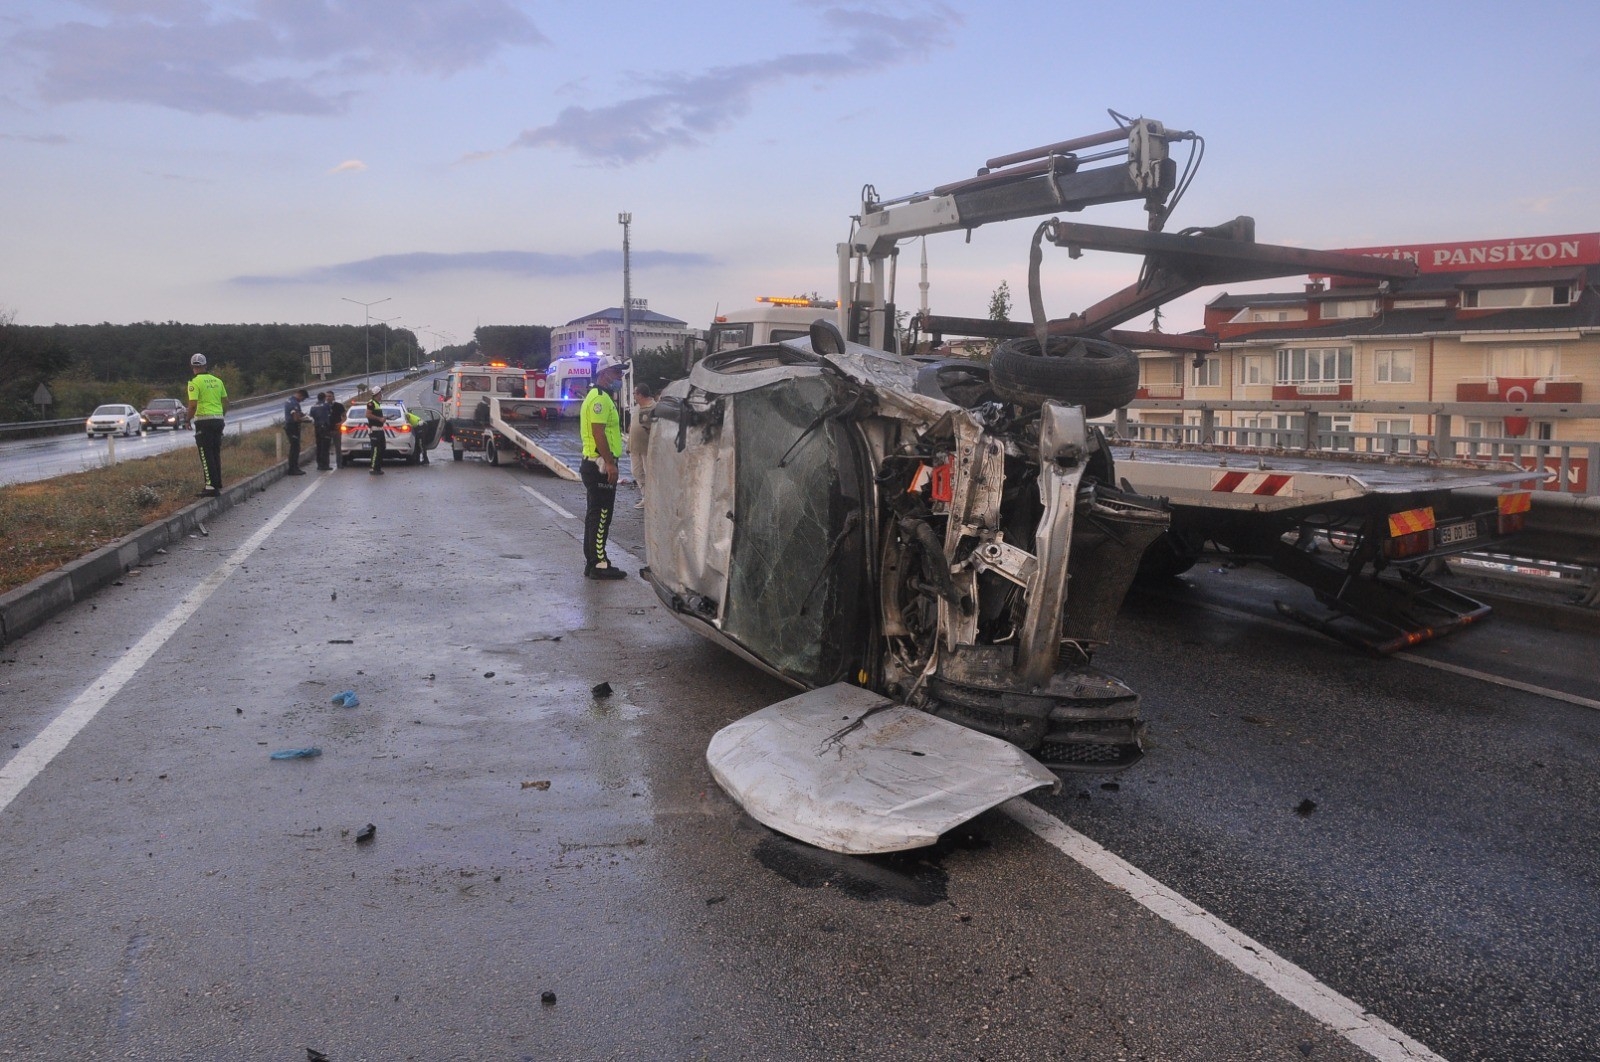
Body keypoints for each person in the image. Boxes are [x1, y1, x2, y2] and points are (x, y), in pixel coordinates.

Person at [579, 359, 628, 579]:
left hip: (594, 462)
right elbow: (598, 432)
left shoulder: (599, 397)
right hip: (599, 464)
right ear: (604, 373)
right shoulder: (599, 399)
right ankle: (599, 563)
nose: (620, 377)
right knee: (602, 515)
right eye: (617, 373)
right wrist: (610, 463)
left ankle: (593, 562)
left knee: (594, 514)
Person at [185, 353, 227, 496]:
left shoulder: (194, 382)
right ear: (205, 365)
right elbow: (225, 402)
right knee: (215, 452)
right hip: (218, 420)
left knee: (205, 453)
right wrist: (221, 416)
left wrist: (187, 420)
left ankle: (210, 487)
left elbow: (192, 405)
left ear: (192, 367)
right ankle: (218, 482)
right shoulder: (217, 381)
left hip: (204, 421)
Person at [628, 383, 657, 509]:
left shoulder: (654, 407)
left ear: (640, 394)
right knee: (636, 472)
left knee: (649, 473)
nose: (634, 396)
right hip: (634, 447)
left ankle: (652, 498)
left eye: (635, 393)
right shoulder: (636, 408)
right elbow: (632, 426)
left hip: (647, 448)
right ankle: (645, 496)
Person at [283, 388, 309, 475]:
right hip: (292, 427)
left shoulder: (289, 400)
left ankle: (294, 468)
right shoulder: (294, 403)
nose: (302, 401)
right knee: (295, 448)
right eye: (303, 399)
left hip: (289, 426)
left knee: (294, 448)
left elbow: (298, 413)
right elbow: (296, 418)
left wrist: (303, 414)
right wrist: (306, 420)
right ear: (300, 395)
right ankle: (293, 468)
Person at [309, 391, 335, 470]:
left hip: (317, 427)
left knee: (319, 446)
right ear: (324, 398)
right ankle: (325, 465)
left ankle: (319, 464)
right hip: (325, 428)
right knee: (325, 447)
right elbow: (330, 414)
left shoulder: (313, 406)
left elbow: (311, 416)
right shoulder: (326, 405)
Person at [366, 392, 387, 475]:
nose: (381, 396)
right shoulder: (371, 403)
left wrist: (384, 418)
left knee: (382, 448)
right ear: (376, 395)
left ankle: (378, 468)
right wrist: (379, 419)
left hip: (380, 430)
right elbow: (367, 415)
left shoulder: (377, 404)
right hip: (375, 430)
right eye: (380, 395)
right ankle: (373, 468)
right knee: (375, 449)